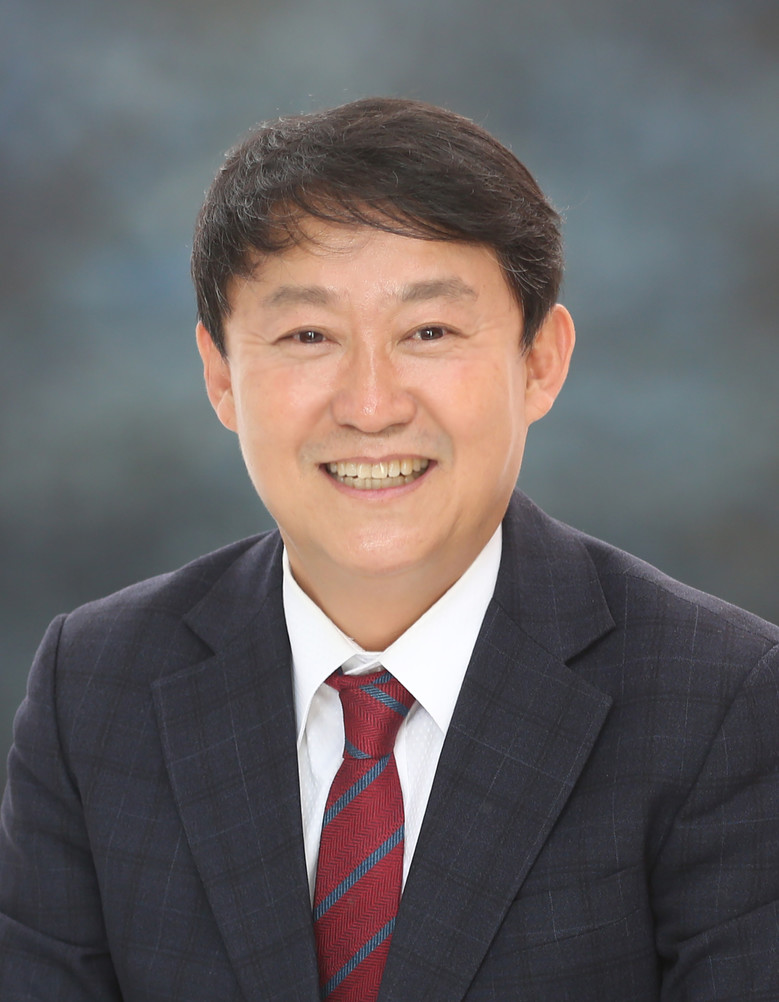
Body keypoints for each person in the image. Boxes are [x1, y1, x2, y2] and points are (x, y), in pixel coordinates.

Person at [1, 97, 778, 1002]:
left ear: (540, 361)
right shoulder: (96, 684)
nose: (370, 406)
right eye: (308, 336)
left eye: (429, 333)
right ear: (220, 375)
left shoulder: (721, 700)